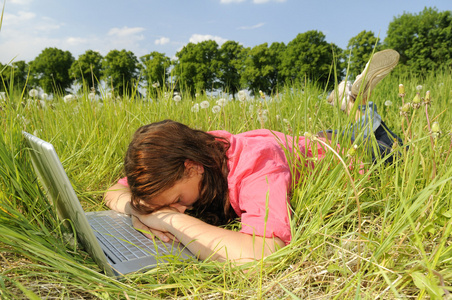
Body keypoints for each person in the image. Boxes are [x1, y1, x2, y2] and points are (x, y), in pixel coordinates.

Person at [104, 49, 403, 263]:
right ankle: (350, 101)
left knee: (392, 147)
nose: (181, 209)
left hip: (343, 156)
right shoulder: (181, 161)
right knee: (353, 131)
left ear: (192, 167)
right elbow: (114, 191)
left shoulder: (254, 167)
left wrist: (169, 221)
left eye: (179, 200)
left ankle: (353, 103)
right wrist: (138, 211)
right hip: (305, 144)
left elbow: (264, 254)